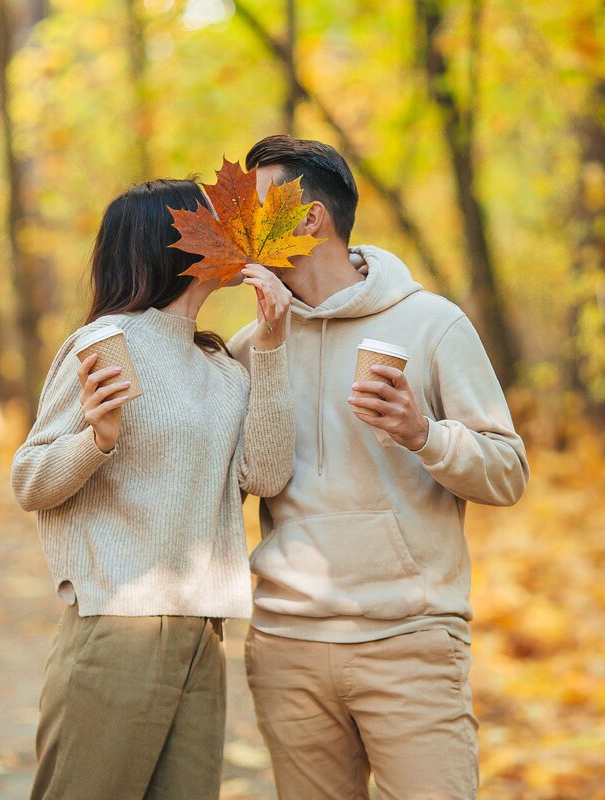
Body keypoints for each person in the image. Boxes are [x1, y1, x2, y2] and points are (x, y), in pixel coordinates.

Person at [229, 135, 530, 800]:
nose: (236, 223)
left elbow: (508, 472)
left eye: (252, 208)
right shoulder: (251, 347)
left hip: (411, 642)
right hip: (287, 647)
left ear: (309, 219)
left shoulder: (432, 326)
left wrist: (423, 434)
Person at [11, 178, 295, 800]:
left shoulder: (221, 367)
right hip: (119, 627)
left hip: (204, 633)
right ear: (176, 245)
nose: (235, 233)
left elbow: (264, 476)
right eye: (215, 223)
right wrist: (98, 439)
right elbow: (30, 481)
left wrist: (270, 346)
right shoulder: (106, 343)